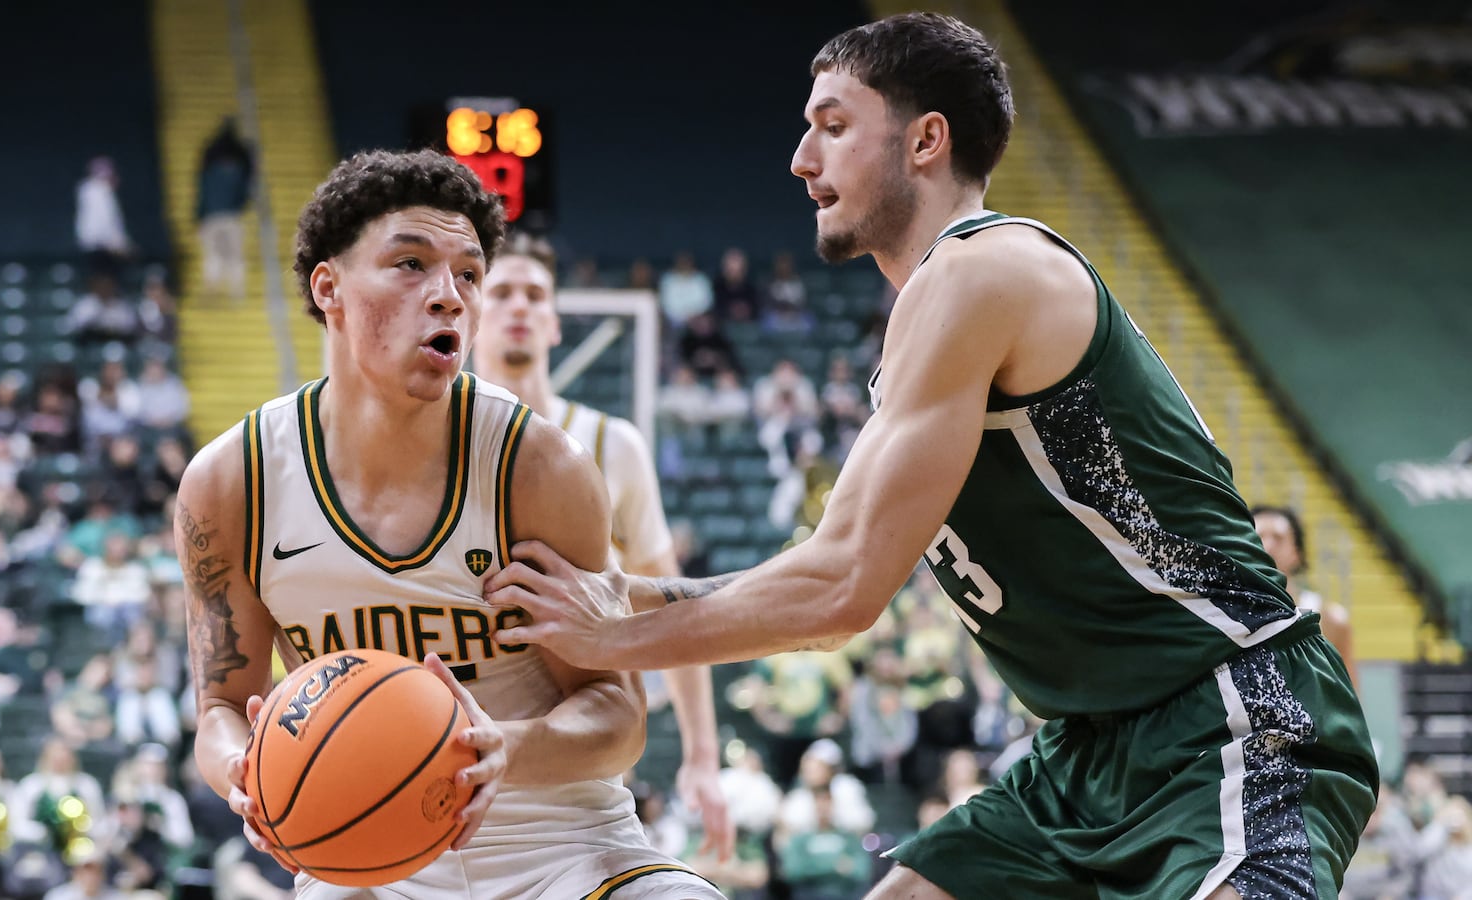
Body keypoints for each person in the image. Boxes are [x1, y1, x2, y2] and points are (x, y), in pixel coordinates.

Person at [484, 13, 1378, 900]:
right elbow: (824, 578)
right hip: (1086, 751)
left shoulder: (980, 272)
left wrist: (616, 626)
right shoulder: (929, 321)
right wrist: (601, 598)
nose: (801, 159)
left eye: (833, 126)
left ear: (926, 142)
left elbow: (840, 591)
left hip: (1230, 716)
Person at [178, 149, 721, 899]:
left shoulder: (539, 465)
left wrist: (498, 747)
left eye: (468, 273)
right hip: (365, 857)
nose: (450, 296)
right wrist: (246, 769)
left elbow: (620, 714)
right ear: (328, 288)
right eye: (410, 264)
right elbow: (219, 707)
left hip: (560, 845)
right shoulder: (230, 482)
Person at [470, 230, 735, 859]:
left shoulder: (611, 442)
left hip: (577, 741)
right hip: (467, 722)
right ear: (474, 316)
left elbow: (675, 606)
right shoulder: (435, 443)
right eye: (501, 293)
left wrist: (703, 758)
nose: (519, 308)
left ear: (556, 324)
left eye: (535, 295)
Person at [1253, 505, 1358, 689]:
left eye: (1278, 538)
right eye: (1259, 537)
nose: (1268, 546)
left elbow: (1349, 695)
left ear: (1297, 552)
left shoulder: (1330, 619)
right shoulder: (1226, 612)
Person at [196, 117, 255, 300]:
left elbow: (202, 192)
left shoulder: (209, 166)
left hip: (212, 217)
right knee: (234, 256)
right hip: (232, 217)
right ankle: (237, 293)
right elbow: (246, 190)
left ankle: (211, 290)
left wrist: (198, 215)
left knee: (213, 255)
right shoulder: (239, 165)